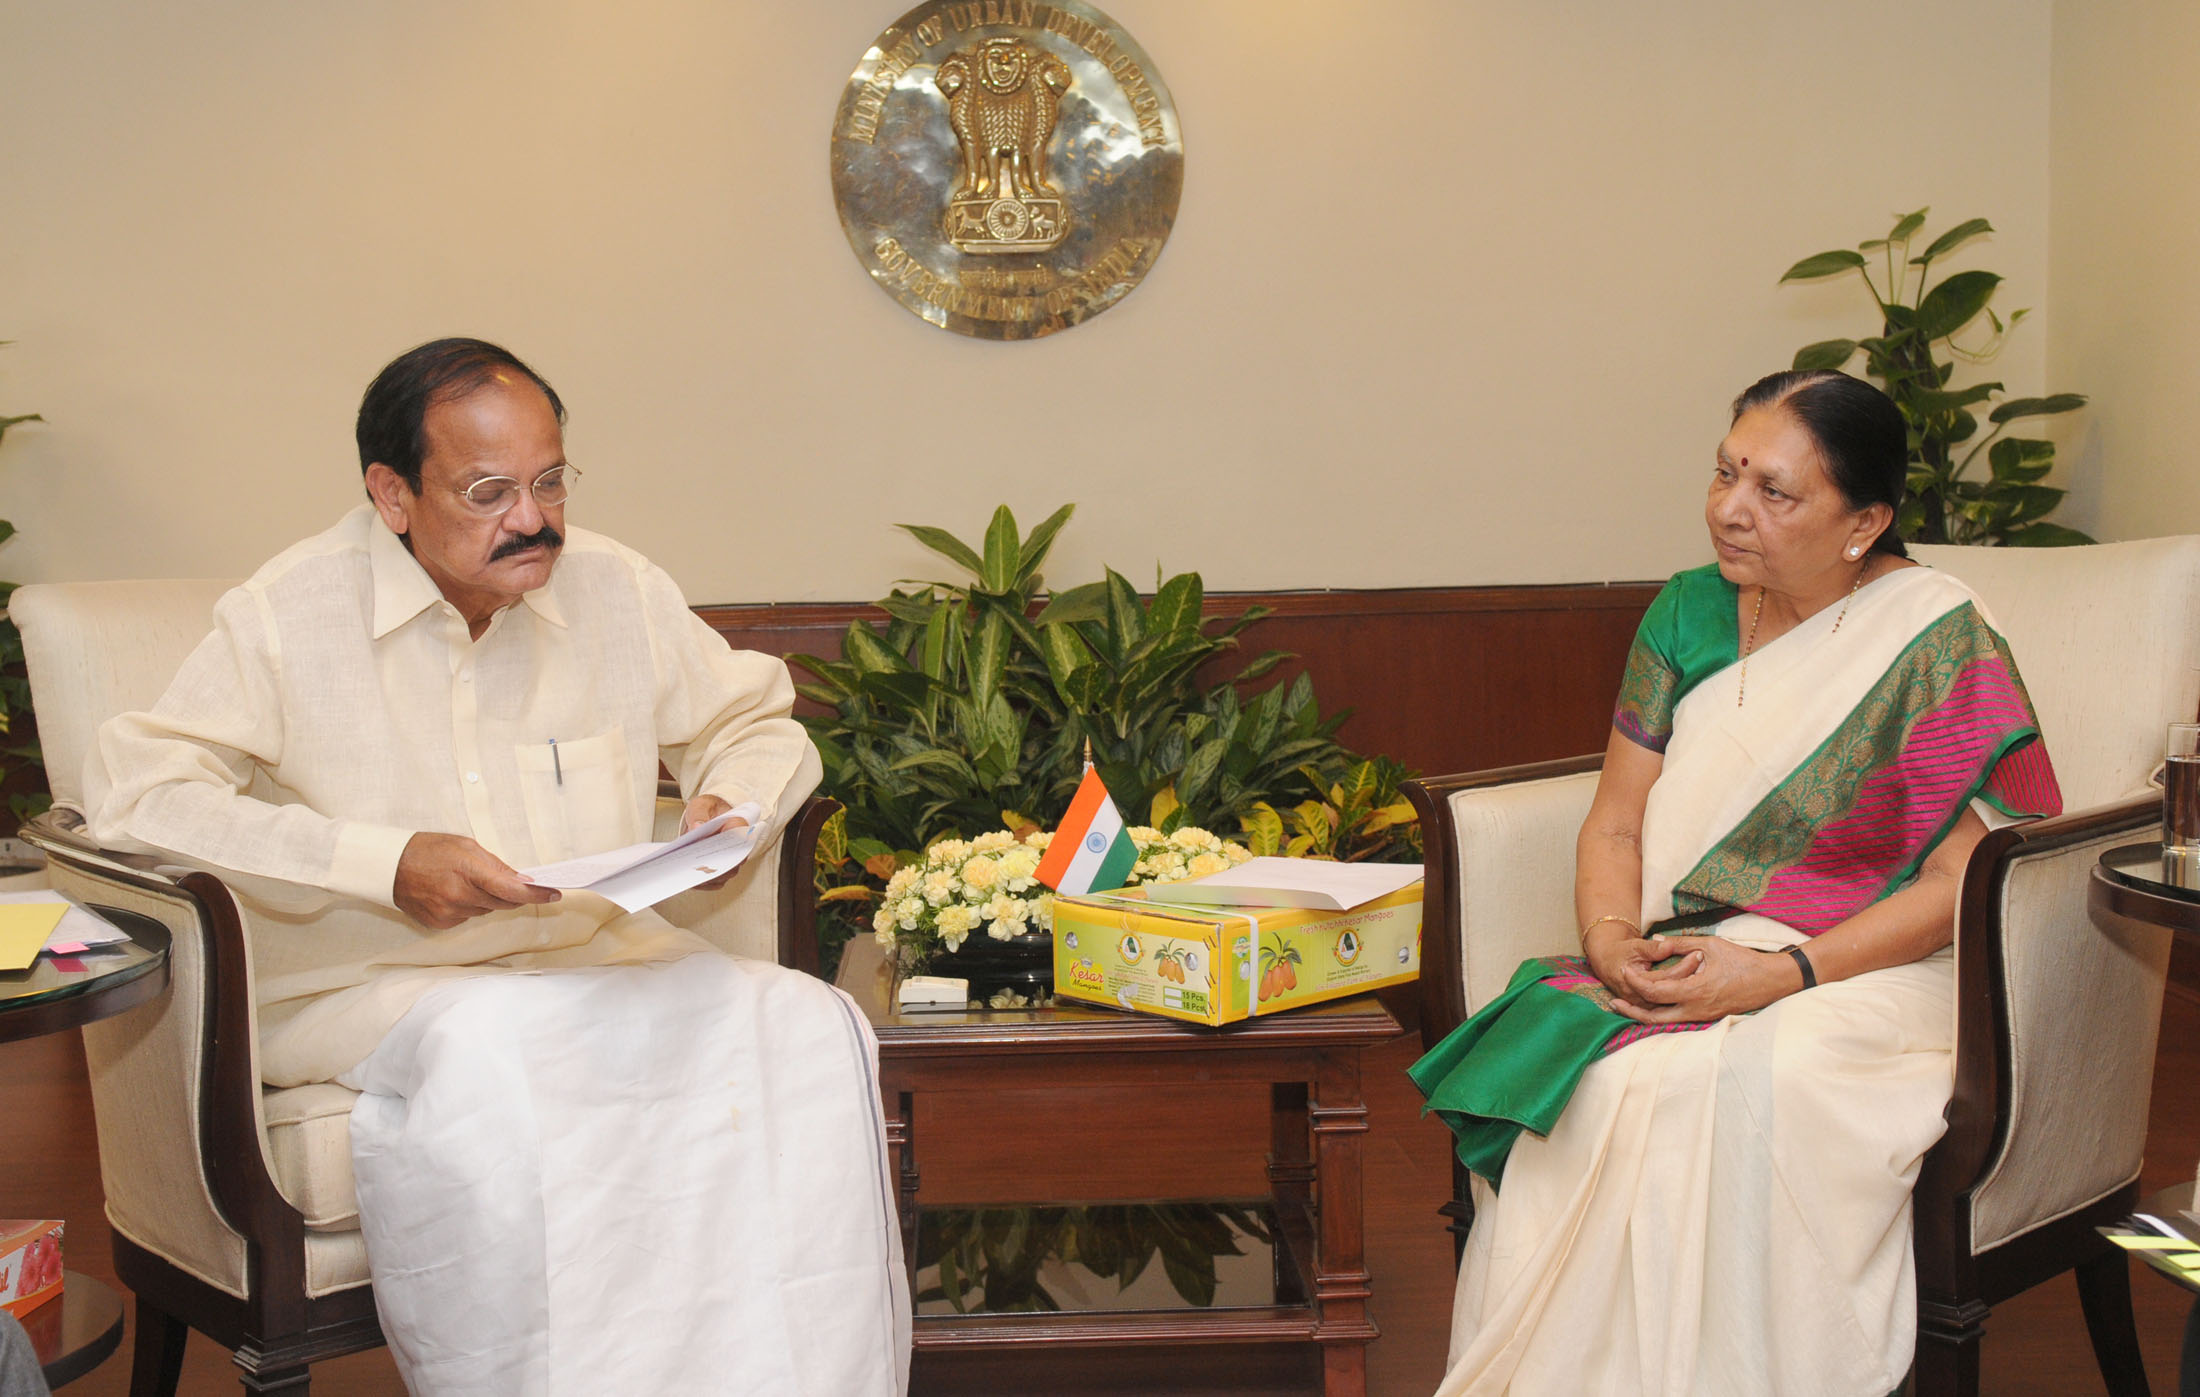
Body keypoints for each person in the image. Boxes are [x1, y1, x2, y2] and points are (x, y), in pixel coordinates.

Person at [84, 339, 910, 1395]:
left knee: (803, 1023)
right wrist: (381, 863)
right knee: (503, 1049)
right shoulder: (288, 613)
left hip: (593, 958)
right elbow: (141, 796)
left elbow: (755, 717)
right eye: (489, 491)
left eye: (550, 479)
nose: (535, 518)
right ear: (392, 493)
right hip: (370, 990)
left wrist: (730, 810)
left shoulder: (616, 585)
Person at [1410, 369, 2061, 1396]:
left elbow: (1960, 882)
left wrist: (1779, 971)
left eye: (1774, 491)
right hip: (1693, 942)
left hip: (1876, 967)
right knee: (1606, 1077)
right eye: (1724, 472)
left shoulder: (1937, 636)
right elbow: (1616, 817)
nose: (1728, 507)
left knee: (1745, 1076)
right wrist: (1612, 932)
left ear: (1866, 521)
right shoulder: (1687, 610)